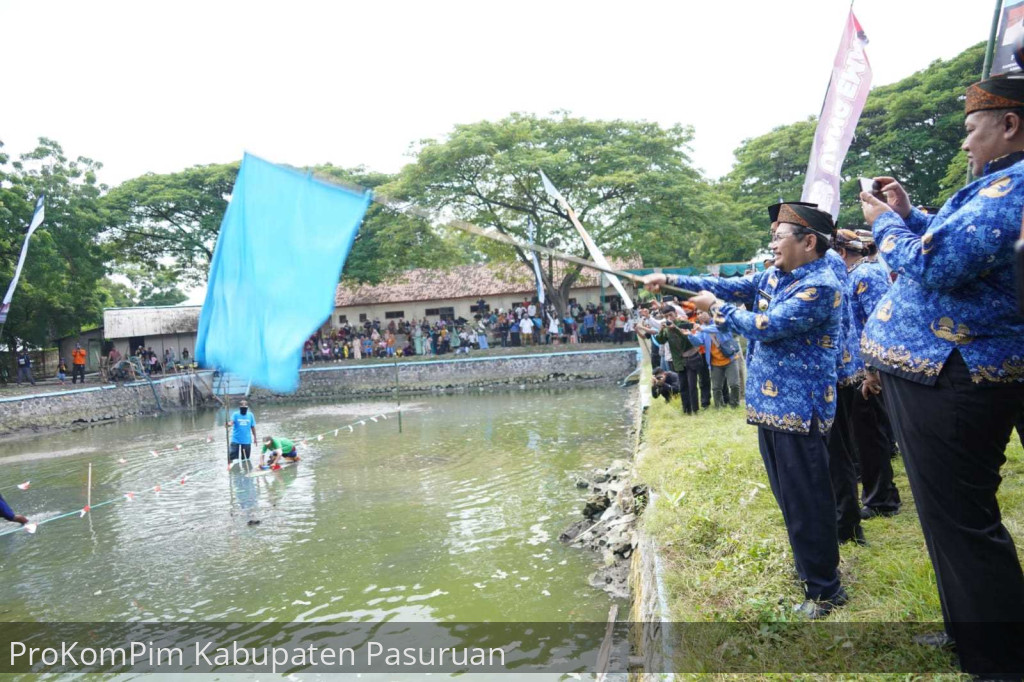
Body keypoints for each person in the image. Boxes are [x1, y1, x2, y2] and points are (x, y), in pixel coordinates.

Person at [856, 72, 1024, 677]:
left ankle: (1002, 658)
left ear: (1009, 125)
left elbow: (939, 264)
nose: (963, 144)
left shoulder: (1016, 186)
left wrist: (883, 225)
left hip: (956, 377)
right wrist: (909, 212)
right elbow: (957, 242)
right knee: (943, 515)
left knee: (962, 518)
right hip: (937, 372)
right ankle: (971, 636)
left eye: (970, 130)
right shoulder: (997, 184)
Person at [644, 201, 846, 619]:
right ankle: (810, 571)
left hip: (798, 409)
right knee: (788, 497)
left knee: (808, 500)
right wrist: (669, 281)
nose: (772, 244)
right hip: (769, 407)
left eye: (778, 236)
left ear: (809, 242)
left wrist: (714, 308)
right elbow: (723, 287)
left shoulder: (821, 285)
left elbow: (766, 326)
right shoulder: (776, 274)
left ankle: (826, 590)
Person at [833, 229, 901, 519]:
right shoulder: (850, 275)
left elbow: (879, 322)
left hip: (867, 369)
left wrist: (873, 368)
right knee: (861, 435)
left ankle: (882, 499)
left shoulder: (866, 275)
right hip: (853, 369)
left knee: (871, 435)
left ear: (842, 253)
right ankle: (873, 492)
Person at [655, 305, 700, 414]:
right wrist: (660, 330)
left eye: (670, 315)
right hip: (678, 361)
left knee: (692, 385)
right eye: (666, 316)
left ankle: (695, 409)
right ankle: (686, 410)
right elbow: (661, 341)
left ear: (675, 313)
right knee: (683, 385)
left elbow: (689, 340)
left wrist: (676, 329)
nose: (669, 318)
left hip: (691, 358)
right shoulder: (666, 328)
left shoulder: (683, 323)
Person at [693, 311, 740, 408]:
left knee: (734, 384)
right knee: (716, 387)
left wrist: (702, 329)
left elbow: (718, 328)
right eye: (697, 314)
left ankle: (734, 405)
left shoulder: (718, 321)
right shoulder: (700, 329)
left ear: (708, 312)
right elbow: (697, 342)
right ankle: (719, 407)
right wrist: (689, 335)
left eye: (701, 312)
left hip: (730, 359)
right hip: (715, 362)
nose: (700, 315)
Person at [226, 399, 257, 464]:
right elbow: (231, 422)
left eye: (245, 408)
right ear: (239, 408)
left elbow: (253, 427)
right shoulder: (235, 414)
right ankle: (232, 469)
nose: (244, 409)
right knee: (233, 457)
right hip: (236, 439)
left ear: (247, 408)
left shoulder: (250, 415)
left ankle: (245, 471)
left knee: (245, 459)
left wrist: (255, 438)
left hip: (246, 440)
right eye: (242, 408)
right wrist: (228, 424)